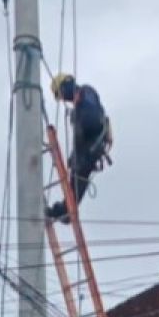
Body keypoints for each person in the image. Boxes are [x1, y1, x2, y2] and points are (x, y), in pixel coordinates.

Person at [46, 73, 113, 224]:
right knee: (75, 184)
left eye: (61, 94)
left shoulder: (85, 93)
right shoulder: (81, 101)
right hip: (86, 149)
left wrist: (81, 153)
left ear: (65, 86)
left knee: (77, 184)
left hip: (91, 148)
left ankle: (64, 211)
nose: (63, 99)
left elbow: (92, 123)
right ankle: (64, 210)